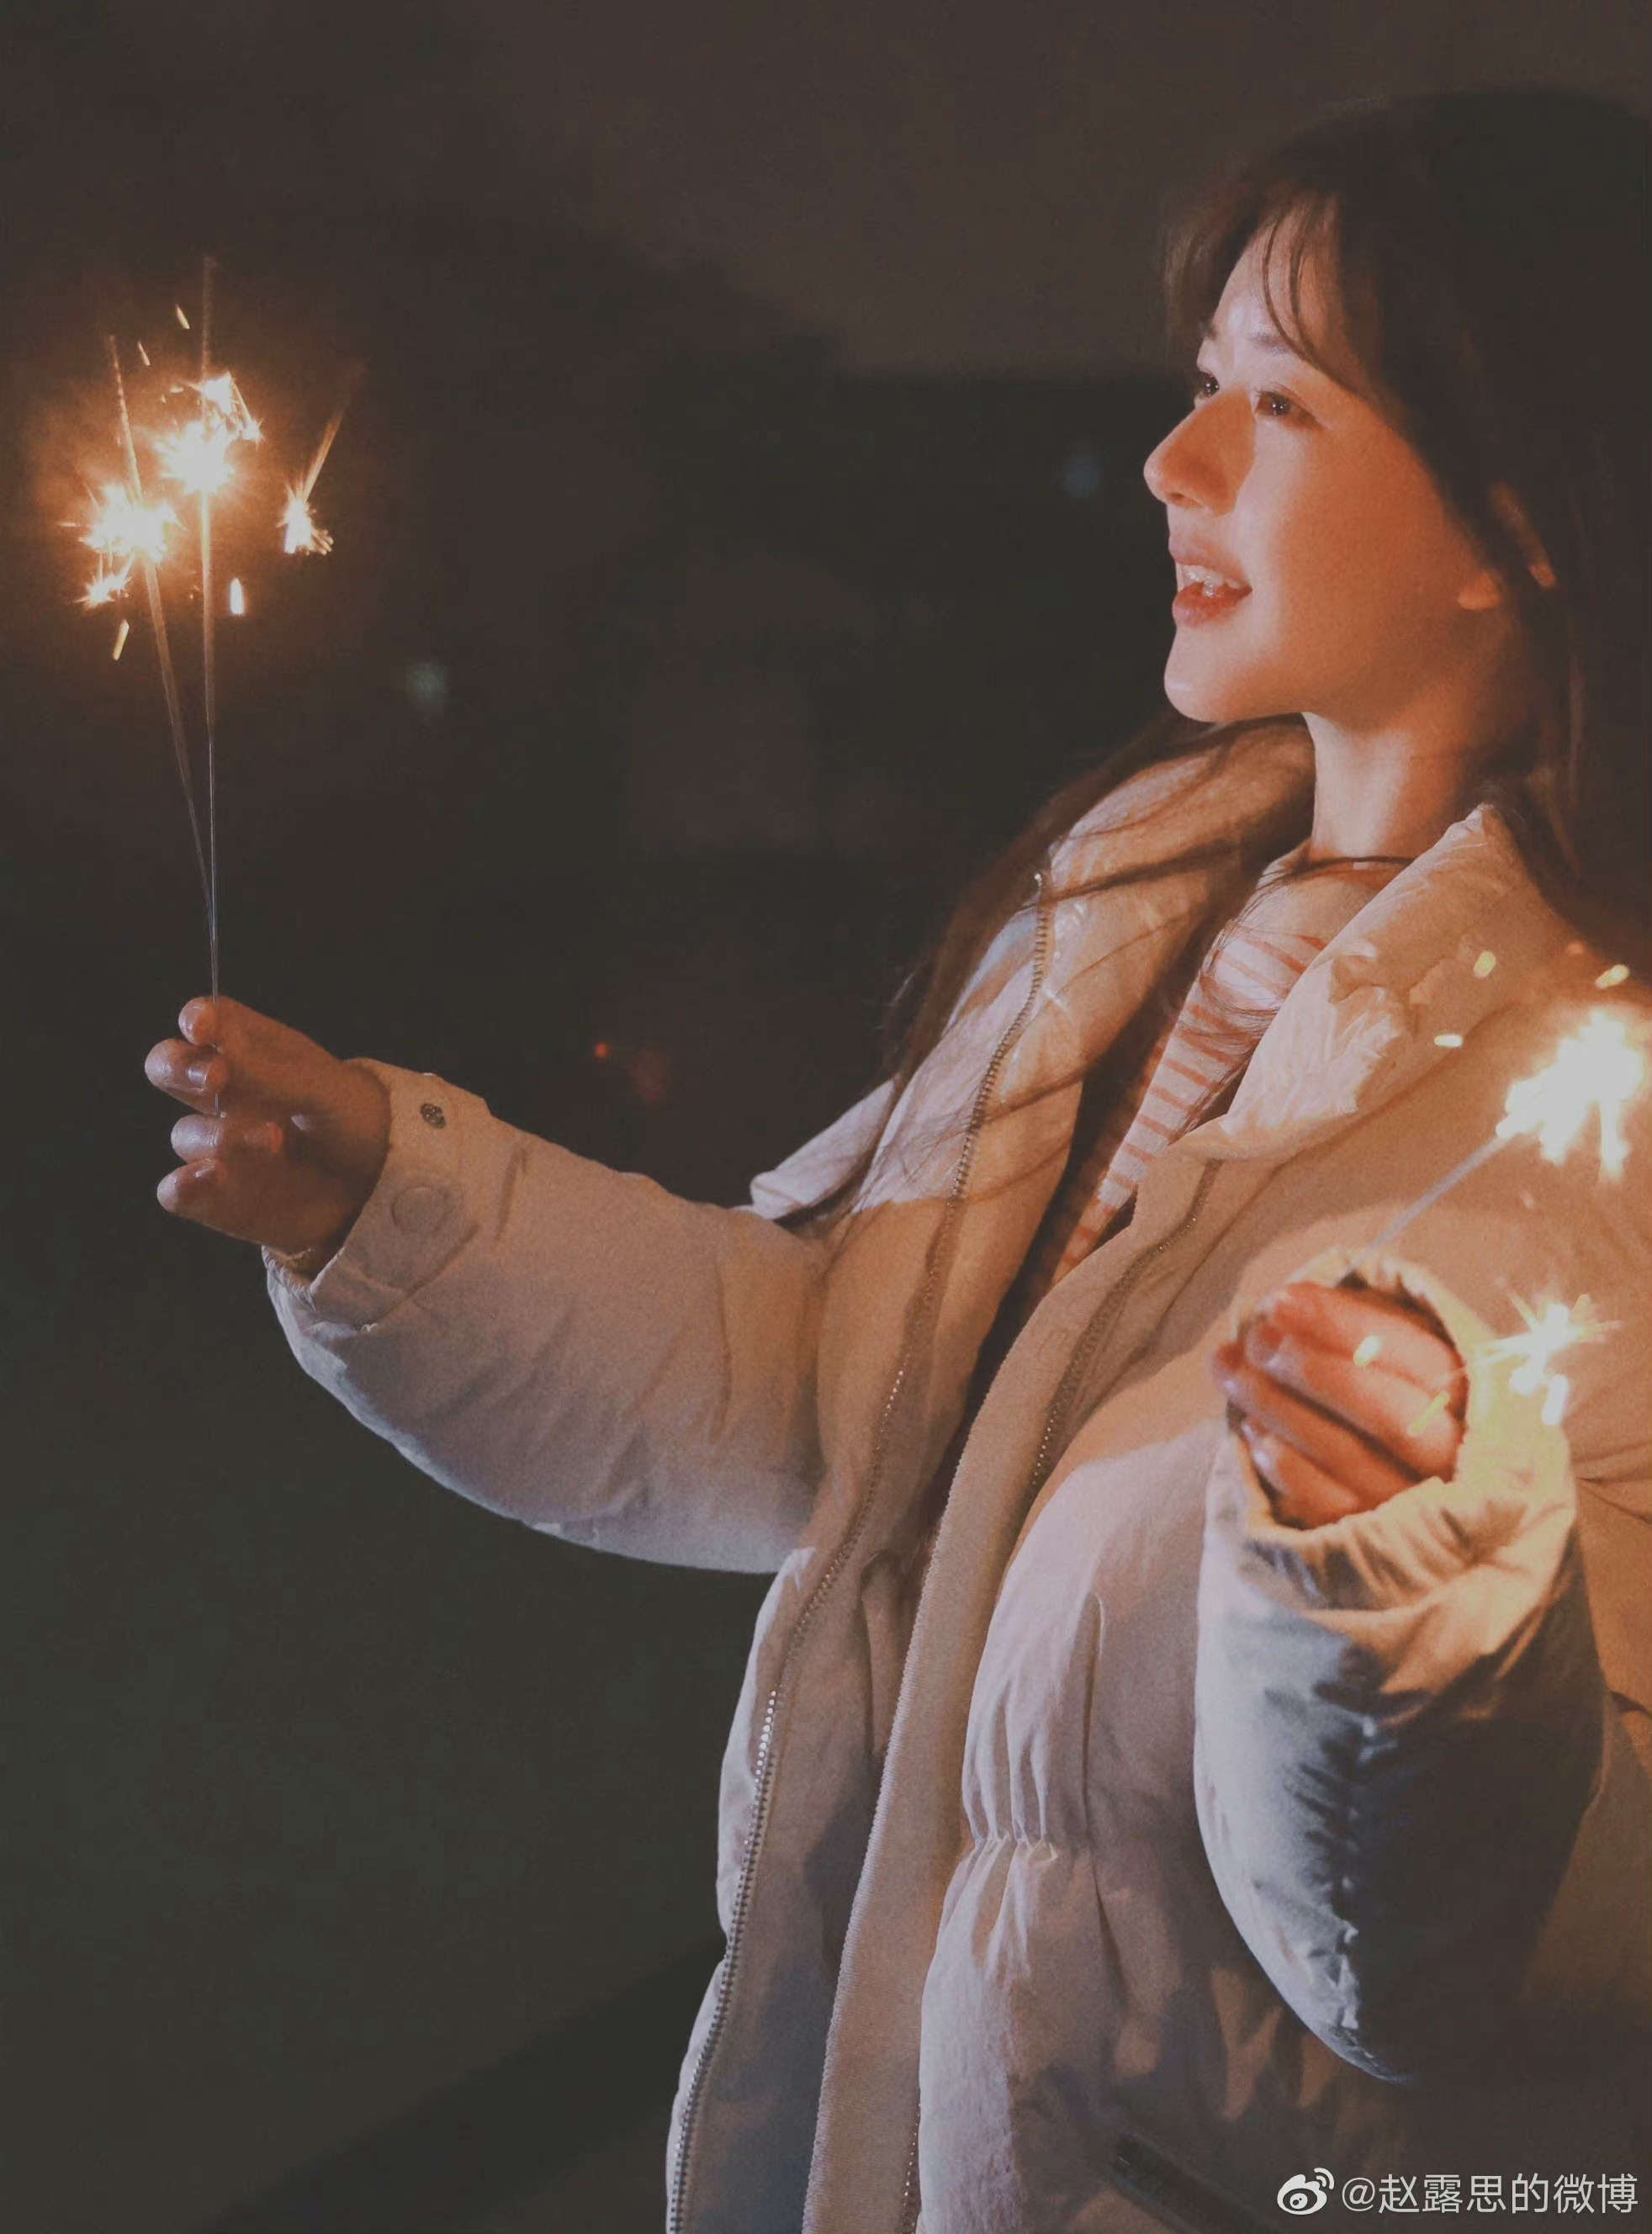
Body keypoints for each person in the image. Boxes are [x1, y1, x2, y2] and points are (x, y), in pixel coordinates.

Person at [145, 89, 1649, 2234]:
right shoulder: (1134, 918)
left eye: (1279, 407)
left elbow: (1522, 1952)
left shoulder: (1598, 1106)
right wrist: (404, 1201)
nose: (1172, 459)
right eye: (1198, 384)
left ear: (1529, 511)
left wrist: (1404, 1588)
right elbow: (833, 1387)